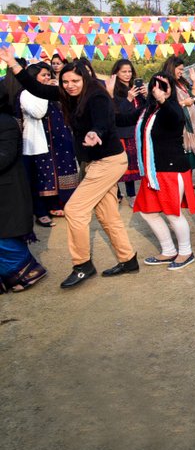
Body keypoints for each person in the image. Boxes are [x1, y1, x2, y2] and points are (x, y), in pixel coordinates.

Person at [2, 47, 139, 288]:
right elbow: (38, 88)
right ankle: (128, 259)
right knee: (107, 215)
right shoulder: (67, 94)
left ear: (84, 78)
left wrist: (96, 133)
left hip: (108, 161)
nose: (70, 85)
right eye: (65, 81)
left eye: (75, 81)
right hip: (92, 163)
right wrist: (13, 64)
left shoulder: (96, 95)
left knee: (75, 210)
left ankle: (82, 265)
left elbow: (103, 120)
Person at [132, 72, 195, 270]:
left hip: (171, 169)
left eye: (164, 85)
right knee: (148, 212)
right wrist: (120, 97)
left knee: (172, 213)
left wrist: (165, 99)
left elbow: (178, 119)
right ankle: (168, 250)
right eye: (156, 85)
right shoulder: (149, 110)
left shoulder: (172, 108)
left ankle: (186, 252)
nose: (159, 89)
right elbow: (122, 119)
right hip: (153, 171)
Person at [0, 78, 47, 294]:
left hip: (7, 189)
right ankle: (11, 278)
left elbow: (5, 157)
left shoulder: (5, 122)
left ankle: (28, 272)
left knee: (5, 237)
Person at [18, 63, 79, 225]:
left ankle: (55, 205)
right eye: (43, 75)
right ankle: (40, 212)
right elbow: (38, 113)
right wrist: (44, 93)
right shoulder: (26, 93)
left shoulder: (54, 92)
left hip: (56, 141)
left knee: (56, 174)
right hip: (37, 143)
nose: (47, 78)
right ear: (33, 77)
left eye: (48, 75)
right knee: (41, 178)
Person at [106, 59, 145, 203]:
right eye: (124, 71)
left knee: (135, 164)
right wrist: (128, 98)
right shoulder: (113, 90)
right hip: (122, 132)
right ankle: (118, 194)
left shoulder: (136, 87)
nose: (127, 74)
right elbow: (116, 113)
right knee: (123, 166)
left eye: (129, 71)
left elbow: (144, 109)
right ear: (116, 73)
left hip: (137, 131)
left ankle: (132, 194)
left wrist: (145, 96)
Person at [162, 56, 195, 174]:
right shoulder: (165, 83)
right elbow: (165, 106)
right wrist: (184, 103)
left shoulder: (181, 82)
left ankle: (187, 182)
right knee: (182, 157)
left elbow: (192, 97)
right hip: (178, 125)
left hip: (190, 122)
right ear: (172, 67)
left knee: (189, 160)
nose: (181, 72)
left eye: (182, 69)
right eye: (179, 69)